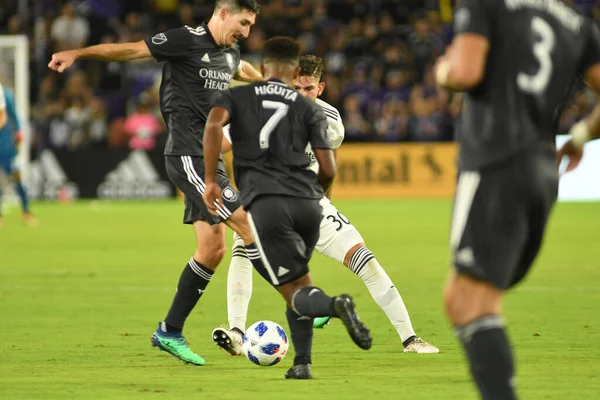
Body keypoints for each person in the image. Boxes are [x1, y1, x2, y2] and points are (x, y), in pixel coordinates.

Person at [48, 0, 267, 366]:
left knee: (212, 249)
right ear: (223, 12)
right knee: (248, 226)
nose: (246, 32)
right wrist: (78, 53)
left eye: (250, 26)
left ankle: (169, 331)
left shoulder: (231, 53)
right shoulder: (186, 40)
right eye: (243, 23)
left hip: (210, 159)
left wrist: (271, 82)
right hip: (188, 155)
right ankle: (303, 303)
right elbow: (133, 50)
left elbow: (239, 67)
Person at [212, 55, 439, 355]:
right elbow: (217, 143)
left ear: (320, 88)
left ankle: (410, 339)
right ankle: (237, 333)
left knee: (365, 260)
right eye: (296, 87)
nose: (300, 94)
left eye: (307, 89)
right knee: (242, 247)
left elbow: (326, 164)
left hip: (310, 203)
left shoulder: (330, 120)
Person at [434, 0, 600, 398]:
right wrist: (579, 136)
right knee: (473, 300)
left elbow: (465, 72)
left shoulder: (486, 4)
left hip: (494, 161)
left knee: (468, 301)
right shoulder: (576, 22)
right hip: (541, 172)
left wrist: (444, 69)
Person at [202, 36, 372, 380]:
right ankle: (302, 363)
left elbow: (216, 135)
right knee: (297, 276)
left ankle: (332, 305)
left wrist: (208, 179)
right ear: (295, 72)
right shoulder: (311, 109)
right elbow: (329, 168)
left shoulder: (241, 99)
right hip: (308, 204)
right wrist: (319, 197)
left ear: (263, 70)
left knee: (293, 289)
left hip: (267, 204)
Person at [0, 82, 36, 227]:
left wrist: (19, 133)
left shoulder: (5, 93)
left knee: (16, 175)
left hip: (6, 145)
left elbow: (12, 115)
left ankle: (26, 210)